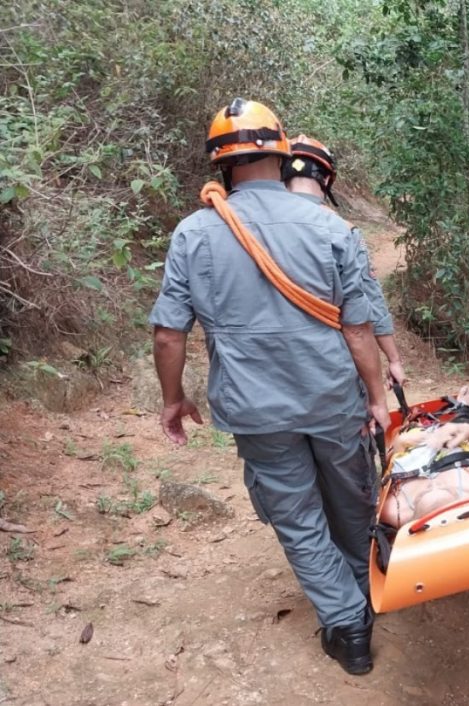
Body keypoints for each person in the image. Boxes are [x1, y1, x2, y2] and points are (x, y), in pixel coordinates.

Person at [149, 98, 388, 675]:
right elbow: (359, 328)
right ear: (283, 156)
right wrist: (378, 398)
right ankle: (367, 597)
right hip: (334, 397)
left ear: (220, 166)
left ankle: (347, 625)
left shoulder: (195, 233)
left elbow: (167, 334)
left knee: (297, 516)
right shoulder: (331, 226)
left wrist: (173, 399)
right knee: (353, 501)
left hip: (256, 409)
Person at [282, 135, 405, 386]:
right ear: (326, 179)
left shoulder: (249, 230)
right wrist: (393, 360)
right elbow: (369, 301)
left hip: (266, 377)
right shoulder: (343, 232)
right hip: (331, 374)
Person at [378, 386, 469, 527]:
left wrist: (399, 443)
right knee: (461, 429)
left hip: (413, 450)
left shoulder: (395, 512)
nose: (434, 489)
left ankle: (452, 419)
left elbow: (389, 468)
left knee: (406, 435)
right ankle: (463, 412)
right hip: (458, 446)